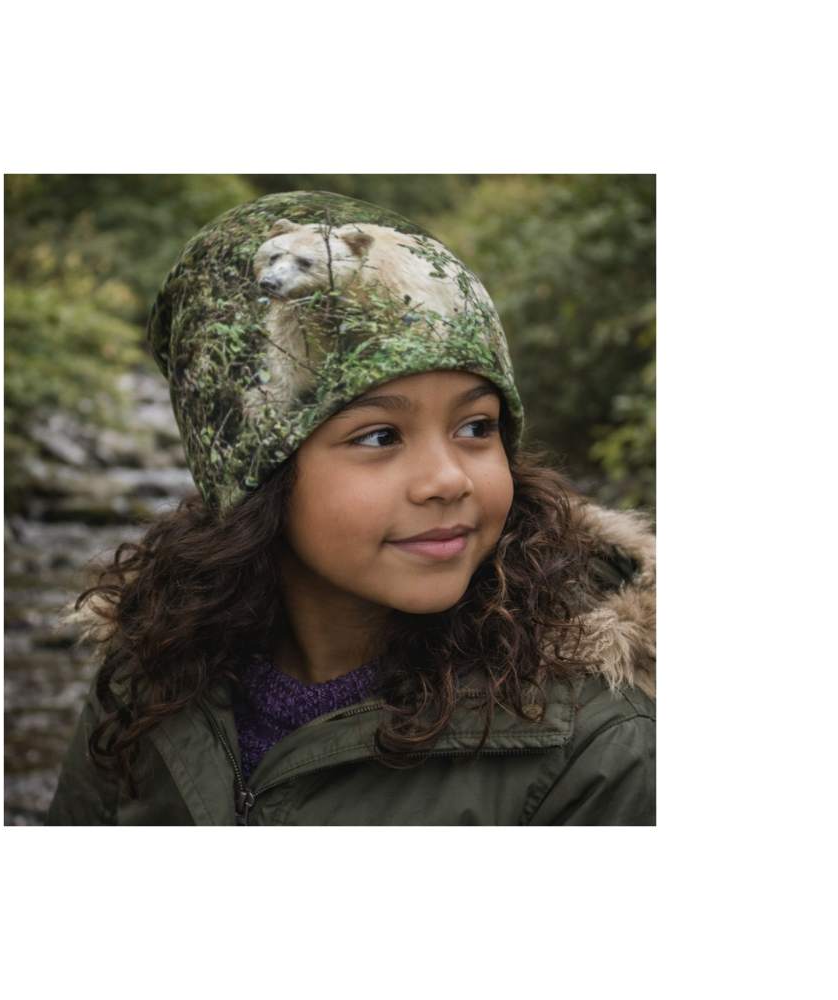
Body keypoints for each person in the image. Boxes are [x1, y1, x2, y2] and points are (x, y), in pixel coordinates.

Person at [47, 191, 656, 827]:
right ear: (255, 475)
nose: (448, 480)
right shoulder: (149, 672)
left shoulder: (596, 747)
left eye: (477, 427)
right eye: (380, 436)